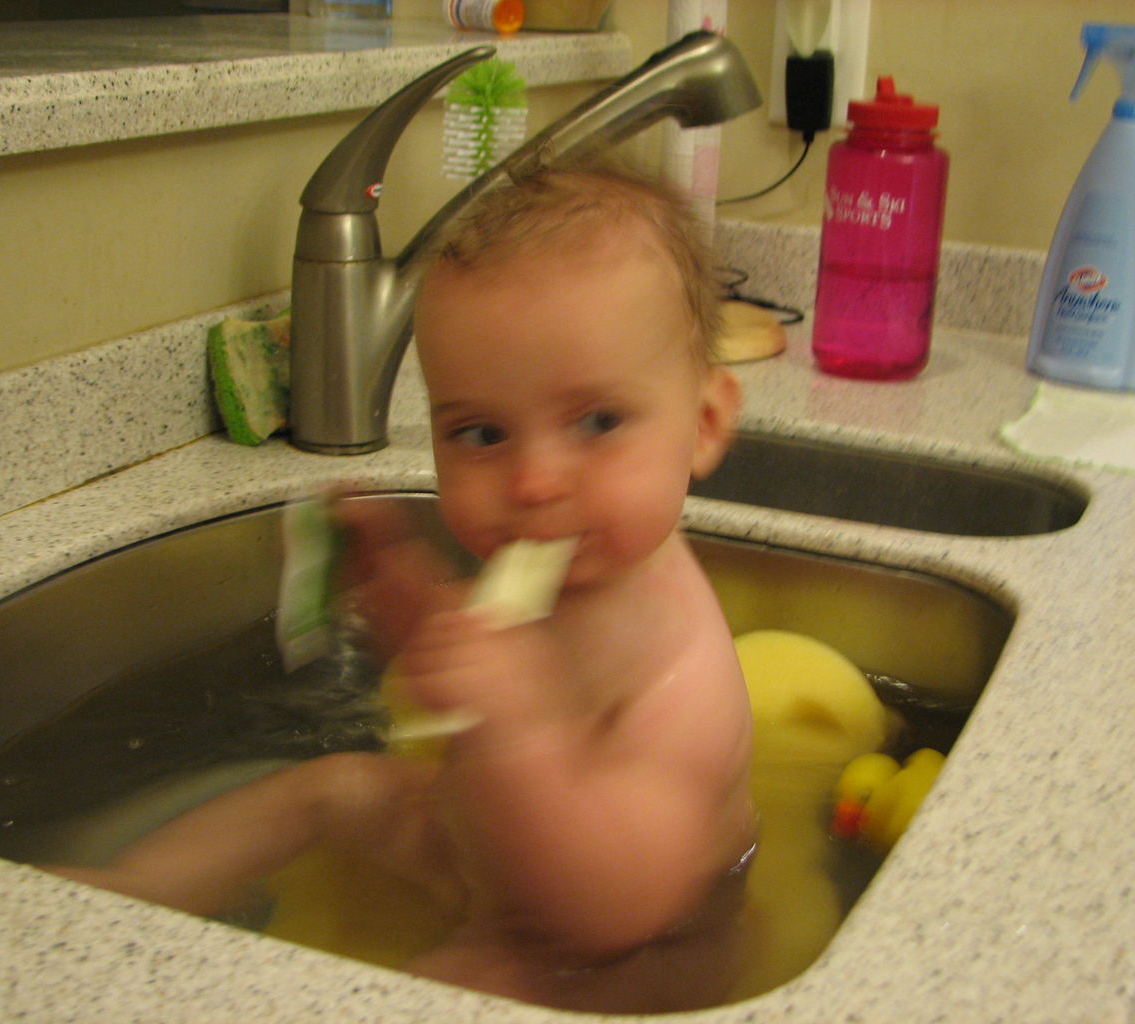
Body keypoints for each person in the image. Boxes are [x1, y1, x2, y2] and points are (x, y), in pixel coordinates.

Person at [47, 163, 756, 1013]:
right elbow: (473, 662)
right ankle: (125, 890)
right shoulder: (568, 548)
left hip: (617, 944)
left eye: (596, 422)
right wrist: (404, 600)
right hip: (478, 841)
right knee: (334, 787)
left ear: (705, 424)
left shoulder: (679, 665)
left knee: (463, 988)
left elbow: (614, 908)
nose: (532, 481)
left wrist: (520, 731)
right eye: (481, 432)